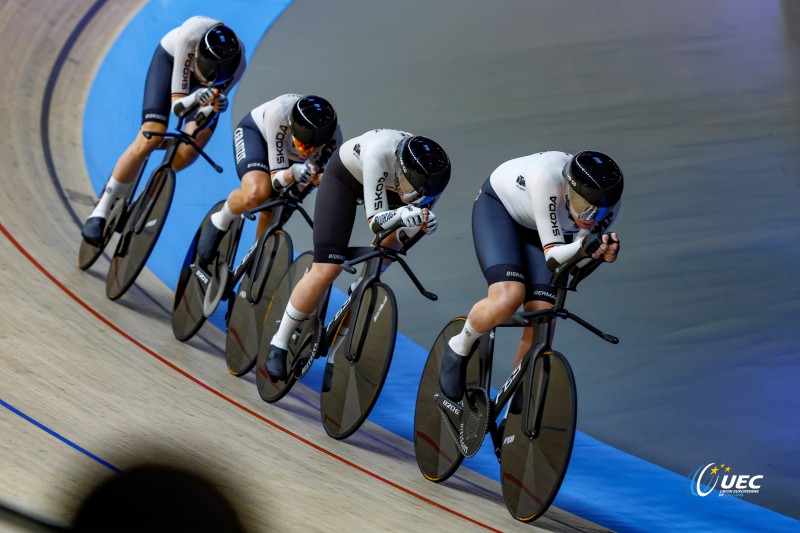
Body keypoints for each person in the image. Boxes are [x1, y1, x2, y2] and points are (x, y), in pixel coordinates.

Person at [263, 129, 451, 382]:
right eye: (413, 189)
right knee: (327, 268)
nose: (415, 196)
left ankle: (335, 349)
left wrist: (423, 225)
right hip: (346, 179)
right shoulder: (380, 152)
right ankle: (279, 342)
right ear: (404, 168)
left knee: (378, 264)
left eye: (421, 193)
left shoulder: (429, 183)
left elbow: (401, 234)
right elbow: (376, 222)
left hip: (393, 189)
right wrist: (404, 214)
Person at [438, 150, 623, 403]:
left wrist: (600, 253)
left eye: (598, 213)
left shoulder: (608, 205)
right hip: (501, 210)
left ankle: (515, 405)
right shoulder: (545, 177)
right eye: (583, 206)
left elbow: (576, 263)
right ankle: (459, 346)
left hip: (546, 229)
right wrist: (585, 247)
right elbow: (555, 257)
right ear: (568, 189)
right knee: (508, 297)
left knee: (544, 315)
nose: (589, 218)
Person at [81, 16, 246, 245]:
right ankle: (101, 210)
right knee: (151, 135)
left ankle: (144, 198)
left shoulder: (237, 64)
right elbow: (178, 107)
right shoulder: (189, 37)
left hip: (205, 86)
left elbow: (202, 118)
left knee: (190, 150)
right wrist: (196, 97)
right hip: (172, 62)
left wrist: (212, 108)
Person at [195, 94, 342, 267]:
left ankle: (254, 259)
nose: (307, 153)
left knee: (277, 211)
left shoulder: (334, 141)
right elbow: (277, 181)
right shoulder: (279, 114)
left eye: (314, 148)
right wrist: (291, 172)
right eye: (302, 146)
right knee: (257, 193)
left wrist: (319, 180)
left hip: (295, 163)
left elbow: (318, 179)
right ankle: (221, 218)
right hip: (259, 136)